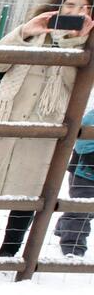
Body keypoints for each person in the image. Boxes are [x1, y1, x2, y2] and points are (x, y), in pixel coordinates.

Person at [0, 0, 94, 257]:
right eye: (70, 4)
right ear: (58, 5)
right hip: (9, 118)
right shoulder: (35, 32)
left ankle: (9, 253)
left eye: (84, 8)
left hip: (47, 129)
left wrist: (74, 45)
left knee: (28, 193)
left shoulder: (88, 49)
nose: (75, 13)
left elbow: (77, 88)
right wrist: (24, 31)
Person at [54, 109, 94, 258]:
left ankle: (63, 225)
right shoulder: (92, 117)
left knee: (88, 210)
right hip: (85, 174)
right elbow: (82, 144)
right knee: (81, 210)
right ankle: (73, 247)